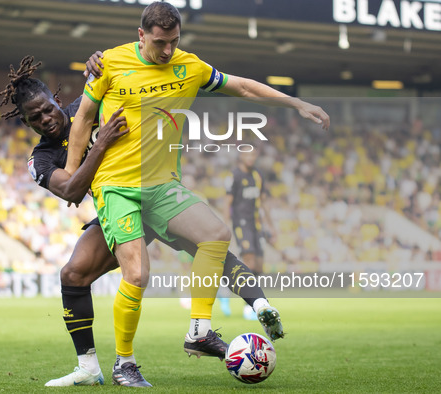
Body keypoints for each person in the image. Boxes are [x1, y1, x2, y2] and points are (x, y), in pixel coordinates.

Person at [64, 1, 329, 387]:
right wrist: (73, 175)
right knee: (137, 275)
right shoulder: (110, 63)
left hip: (163, 185)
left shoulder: (191, 66)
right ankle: (124, 364)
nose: (167, 50)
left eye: (173, 41)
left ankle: (199, 331)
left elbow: (240, 86)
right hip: (117, 187)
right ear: (142, 35)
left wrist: (295, 102)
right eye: (159, 42)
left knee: (216, 235)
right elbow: (85, 118)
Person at [0, 55, 282, 387]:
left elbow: (127, 71)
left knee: (208, 242)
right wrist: (100, 144)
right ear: (27, 123)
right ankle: (89, 367)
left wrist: (98, 64)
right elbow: (73, 191)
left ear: (56, 100)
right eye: (35, 118)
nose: (45, 119)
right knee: (73, 274)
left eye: (47, 109)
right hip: (118, 208)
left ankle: (256, 303)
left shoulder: (89, 104)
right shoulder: (41, 158)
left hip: (151, 190)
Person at [223, 148, 276, 319]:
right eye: (247, 154)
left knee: (259, 265)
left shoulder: (258, 175)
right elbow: (227, 203)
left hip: (256, 224)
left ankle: (225, 290)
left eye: (254, 154)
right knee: (250, 261)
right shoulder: (235, 176)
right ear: (241, 156)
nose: (251, 157)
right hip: (241, 223)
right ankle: (249, 306)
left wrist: (271, 225)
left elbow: (264, 202)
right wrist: (226, 225)